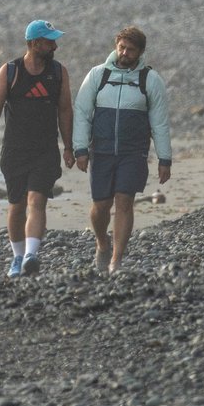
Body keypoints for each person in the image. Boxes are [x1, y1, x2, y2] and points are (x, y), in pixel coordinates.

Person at [0, 20, 74, 277]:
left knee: (37, 200)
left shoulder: (58, 72)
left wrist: (69, 146)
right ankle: (17, 258)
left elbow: (65, 110)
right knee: (17, 205)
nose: (55, 45)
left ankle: (32, 254)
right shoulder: (10, 71)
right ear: (34, 43)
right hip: (15, 150)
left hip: (45, 149)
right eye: (49, 41)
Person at [73, 26, 171, 274]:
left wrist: (164, 158)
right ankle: (102, 243)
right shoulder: (98, 75)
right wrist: (80, 148)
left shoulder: (149, 79)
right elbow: (82, 113)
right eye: (121, 47)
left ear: (140, 52)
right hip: (102, 151)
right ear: (116, 46)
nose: (124, 53)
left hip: (133, 152)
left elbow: (159, 122)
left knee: (125, 201)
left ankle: (116, 260)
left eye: (130, 50)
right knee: (100, 205)